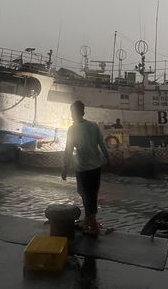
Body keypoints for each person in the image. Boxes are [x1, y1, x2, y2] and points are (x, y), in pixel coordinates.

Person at [62, 100, 110, 235]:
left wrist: (65, 168)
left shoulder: (72, 129)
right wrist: (108, 159)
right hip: (95, 167)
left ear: (74, 113)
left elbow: (68, 150)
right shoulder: (93, 126)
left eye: (72, 112)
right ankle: (88, 220)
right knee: (91, 194)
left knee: (85, 195)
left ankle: (93, 226)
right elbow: (102, 144)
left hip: (82, 168)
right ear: (83, 112)